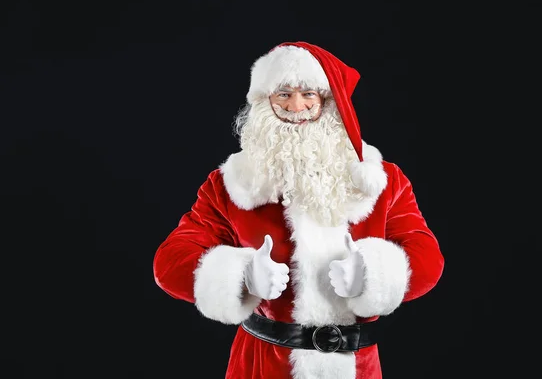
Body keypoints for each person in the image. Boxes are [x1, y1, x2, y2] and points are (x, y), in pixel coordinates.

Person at [153, 41, 445, 379]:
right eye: (283, 95)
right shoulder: (230, 184)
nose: (297, 106)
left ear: (329, 101)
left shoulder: (382, 180)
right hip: (261, 366)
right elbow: (170, 261)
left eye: (309, 94)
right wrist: (241, 277)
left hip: (355, 368)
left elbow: (426, 257)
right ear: (265, 103)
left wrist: (373, 274)